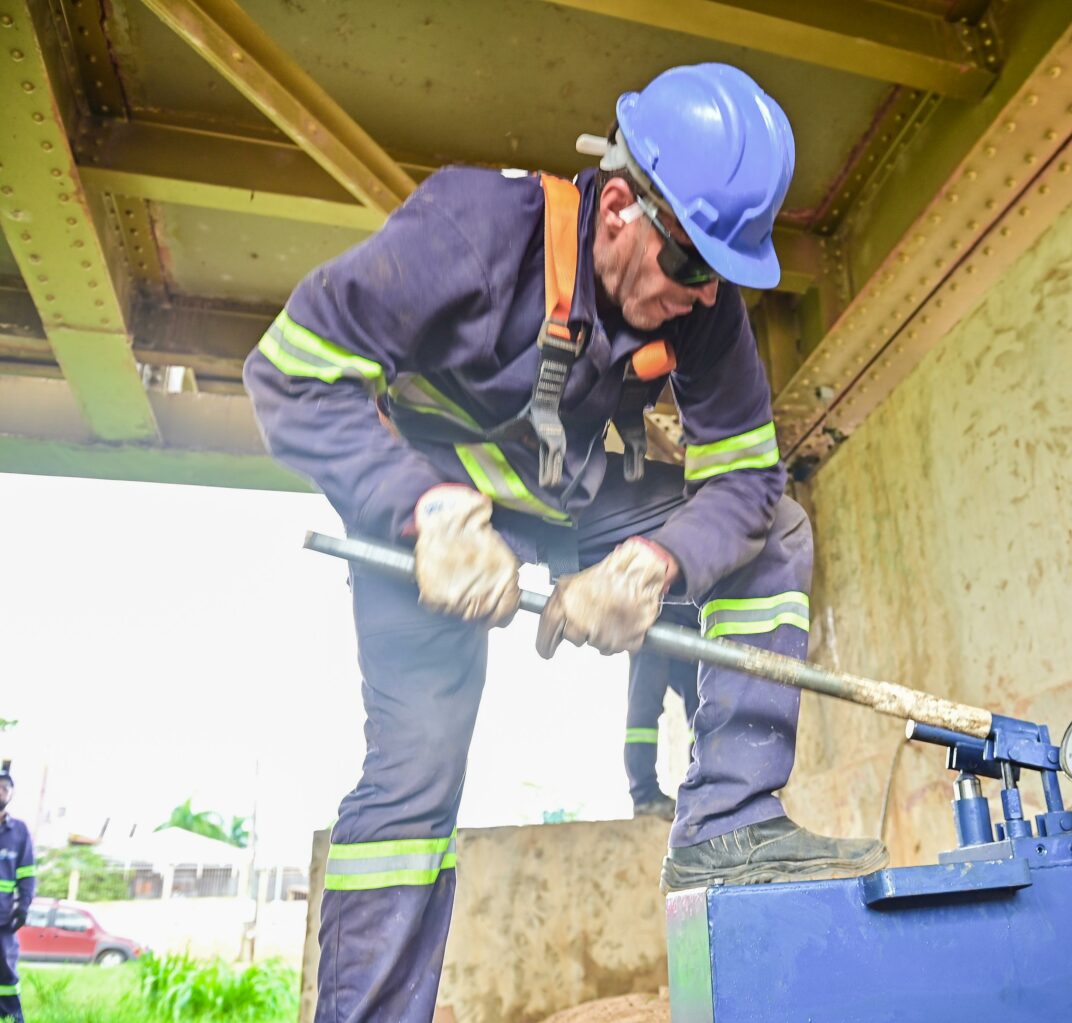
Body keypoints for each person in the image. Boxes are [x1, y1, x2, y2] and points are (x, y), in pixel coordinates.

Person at [244, 63, 887, 1023]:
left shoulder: (701, 311)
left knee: (775, 534)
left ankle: (729, 819)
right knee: (412, 778)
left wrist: (654, 563)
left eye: (723, 274)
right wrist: (418, 509)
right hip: (433, 517)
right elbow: (288, 375)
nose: (707, 298)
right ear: (621, 207)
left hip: (573, 506)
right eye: (694, 268)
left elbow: (749, 478)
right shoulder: (468, 234)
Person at [624, 604, 701, 819]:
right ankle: (645, 796)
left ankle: (702, 792)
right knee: (644, 704)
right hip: (654, 617)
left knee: (702, 713)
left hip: (695, 626)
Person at [0, 762, 35, 1023]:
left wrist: (23, 907)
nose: (0, 791)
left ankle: (12, 1017)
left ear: (10, 795)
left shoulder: (19, 831)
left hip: (4, 918)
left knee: (6, 972)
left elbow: (26, 874)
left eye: (4, 788)